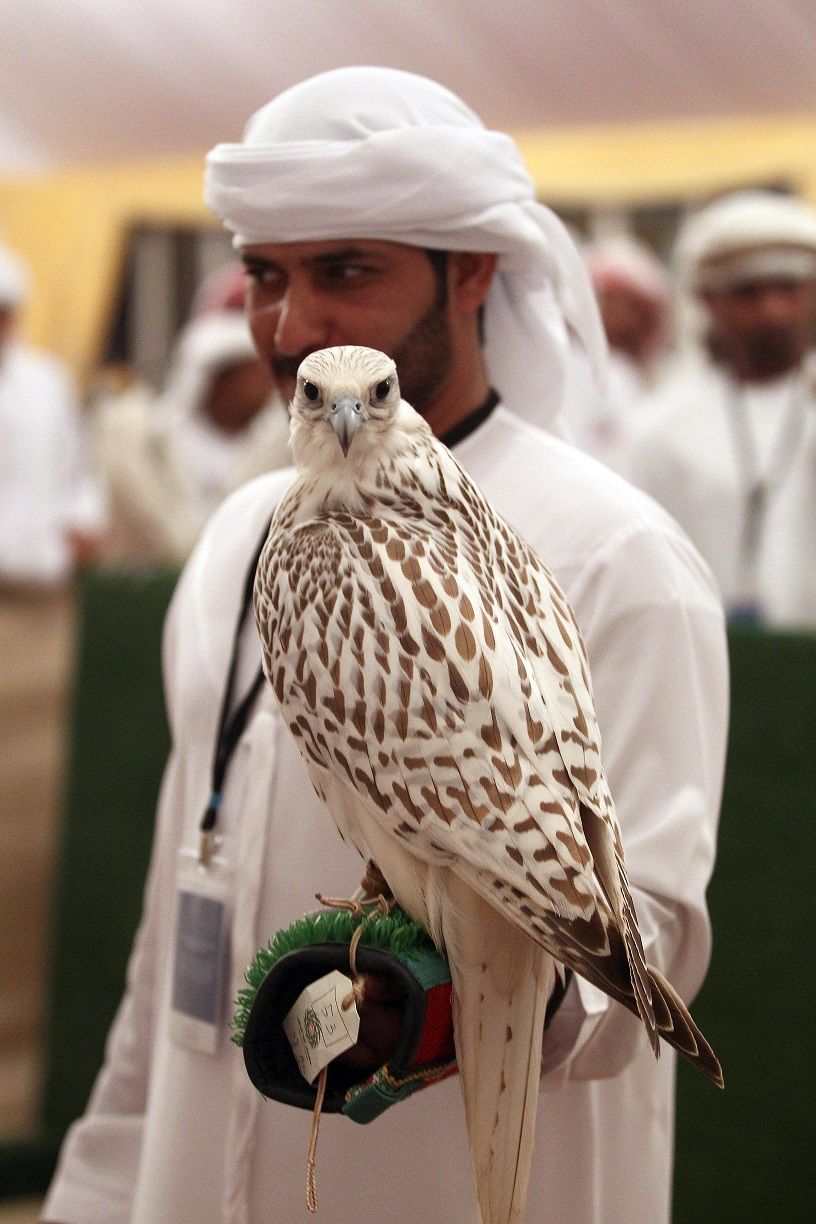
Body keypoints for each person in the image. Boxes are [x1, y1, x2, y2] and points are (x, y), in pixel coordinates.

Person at [43, 68, 728, 1224]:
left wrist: (444, 1004)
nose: (295, 324)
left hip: (449, 1182)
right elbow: (179, 913)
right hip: (194, 1173)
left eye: (346, 272)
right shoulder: (232, 541)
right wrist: (103, 1186)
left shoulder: (613, 552)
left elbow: (652, 931)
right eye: (268, 276)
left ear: (473, 273)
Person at [623, 190, 816, 626]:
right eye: (749, 292)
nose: (772, 310)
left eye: (788, 288)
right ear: (708, 301)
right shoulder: (658, 429)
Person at [95, 310, 290, 565]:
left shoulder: (273, 448)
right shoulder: (154, 441)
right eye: (254, 375)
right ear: (222, 379)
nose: (267, 386)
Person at [565, 234, 671, 468]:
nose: (622, 316)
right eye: (607, 301)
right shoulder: (583, 372)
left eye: (635, 308)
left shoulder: (640, 376)